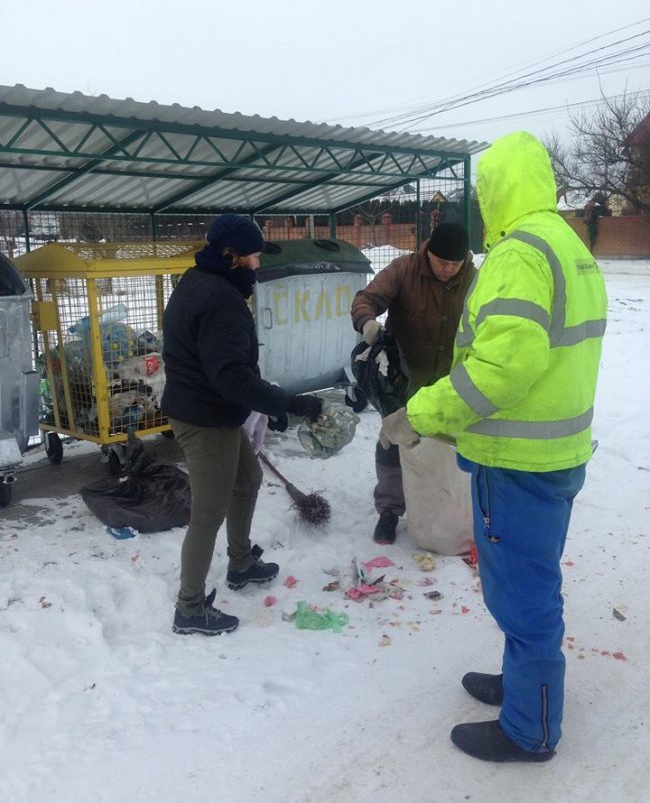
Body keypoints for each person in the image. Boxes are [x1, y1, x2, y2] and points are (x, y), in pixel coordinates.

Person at [379, 131, 607, 762]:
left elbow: (503, 368)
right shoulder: (569, 245)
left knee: (524, 597)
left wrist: (418, 414)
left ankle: (529, 731)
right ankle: (520, 684)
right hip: (557, 454)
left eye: (482, 193)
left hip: (519, 463)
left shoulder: (518, 254)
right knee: (526, 581)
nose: (480, 207)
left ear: (497, 190)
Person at [161, 214, 322, 637]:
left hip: (211, 408)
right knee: (208, 512)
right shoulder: (221, 299)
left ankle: (241, 562)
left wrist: (267, 403)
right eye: (252, 256)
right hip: (204, 418)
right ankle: (189, 608)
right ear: (231, 255)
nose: (257, 264)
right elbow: (231, 375)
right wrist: (286, 403)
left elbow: (225, 366)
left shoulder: (200, 280)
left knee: (248, 479)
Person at [351, 221, 476, 544]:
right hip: (403, 378)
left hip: (451, 383)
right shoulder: (403, 270)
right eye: (442, 262)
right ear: (428, 252)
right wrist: (367, 322)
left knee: (450, 446)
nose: (448, 269)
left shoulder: (476, 280)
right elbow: (367, 298)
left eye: (455, 264)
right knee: (394, 439)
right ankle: (389, 510)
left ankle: (441, 507)